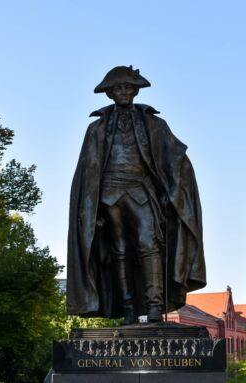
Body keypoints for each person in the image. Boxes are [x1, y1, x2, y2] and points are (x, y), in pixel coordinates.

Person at [67, 66, 206, 325]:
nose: (123, 92)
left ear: (135, 90)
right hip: (108, 195)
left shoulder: (154, 124)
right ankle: (129, 308)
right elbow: (86, 175)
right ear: (109, 93)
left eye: (128, 88)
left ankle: (155, 306)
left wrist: (172, 189)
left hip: (142, 190)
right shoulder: (96, 129)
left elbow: (175, 158)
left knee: (149, 244)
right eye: (118, 88)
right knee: (119, 250)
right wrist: (91, 210)